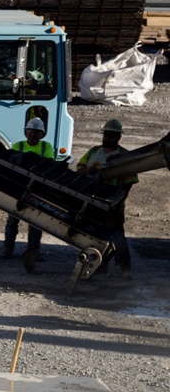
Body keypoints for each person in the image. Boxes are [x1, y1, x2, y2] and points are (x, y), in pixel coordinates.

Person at [1, 111, 62, 272]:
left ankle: (34, 251)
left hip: (37, 190)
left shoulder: (46, 146)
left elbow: (48, 163)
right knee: (13, 220)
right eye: (31, 131)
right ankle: (8, 249)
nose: (33, 134)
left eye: (36, 132)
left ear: (42, 134)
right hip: (18, 187)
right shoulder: (18, 145)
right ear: (26, 131)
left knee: (36, 222)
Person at [78, 117, 138, 278]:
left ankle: (124, 267)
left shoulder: (124, 156)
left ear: (118, 138)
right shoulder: (93, 152)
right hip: (92, 201)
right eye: (106, 135)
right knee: (94, 234)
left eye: (112, 135)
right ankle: (99, 265)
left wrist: (118, 200)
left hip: (112, 204)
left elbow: (130, 181)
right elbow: (79, 169)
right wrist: (89, 170)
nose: (107, 138)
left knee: (117, 235)